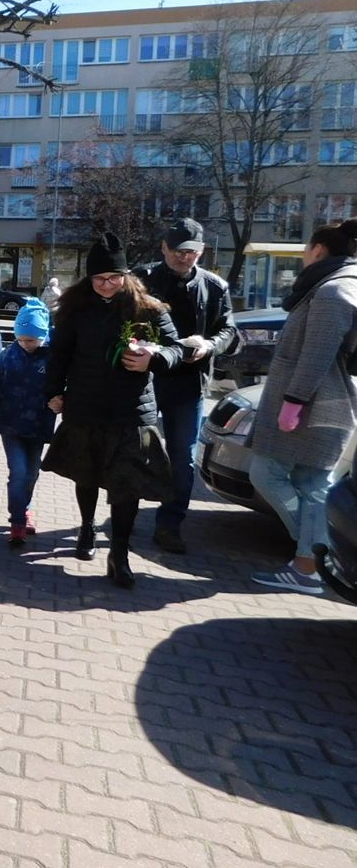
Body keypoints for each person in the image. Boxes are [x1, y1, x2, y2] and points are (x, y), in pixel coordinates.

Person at [42, 232, 181, 589]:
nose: (107, 285)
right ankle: (87, 527)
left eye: (114, 277)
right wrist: (53, 392)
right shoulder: (75, 309)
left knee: (127, 484)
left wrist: (155, 359)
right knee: (86, 474)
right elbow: (59, 354)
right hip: (85, 406)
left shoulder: (147, 308)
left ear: (126, 276)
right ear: (89, 278)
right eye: (99, 278)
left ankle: (119, 553)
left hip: (132, 412)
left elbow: (176, 348)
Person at [245, 219, 357, 595]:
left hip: (315, 405)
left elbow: (317, 353)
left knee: (270, 473)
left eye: (307, 250)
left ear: (318, 250)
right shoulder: (339, 284)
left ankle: (317, 554)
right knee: (311, 484)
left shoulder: (333, 290)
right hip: (326, 402)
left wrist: (293, 402)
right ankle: (309, 565)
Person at [132, 218, 237, 555]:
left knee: (182, 458)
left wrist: (209, 345)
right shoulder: (143, 278)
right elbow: (121, 319)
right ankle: (125, 516)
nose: (184, 256)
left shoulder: (215, 286)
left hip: (189, 384)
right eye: (177, 250)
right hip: (145, 380)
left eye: (190, 251)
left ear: (201, 251)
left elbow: (229, 331)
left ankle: (170, 524)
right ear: (164, 248)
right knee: (134, 450)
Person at [0, 298, 56, 545]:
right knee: (19, 472)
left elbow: (62, 385)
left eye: (32, 340)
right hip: (10, 425)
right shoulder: (7, 356)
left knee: (32, 473)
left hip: (38, 426)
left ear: (43, 335)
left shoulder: (52, 358)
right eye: (21, 339)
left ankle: (25, 509)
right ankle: (17, 523)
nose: (26, 345)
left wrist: (61, 399)